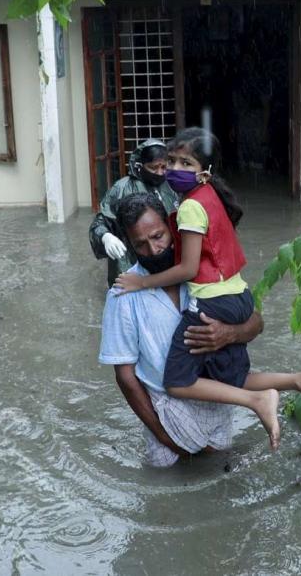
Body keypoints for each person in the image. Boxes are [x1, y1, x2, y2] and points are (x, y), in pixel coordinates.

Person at [113, 128, 301, 450]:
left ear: (205, 171)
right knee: (231, 379)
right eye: (171, 161)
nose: (175, 169)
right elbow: (125, 376)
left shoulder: (188, 210)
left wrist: (142, 282)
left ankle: (258, 401)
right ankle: (299, 380)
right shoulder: (210, 197)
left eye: (186, 163)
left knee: (175, 381)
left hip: (212, 302)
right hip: (237, 295)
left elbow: (188, 270)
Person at [99, 193, 265, 466]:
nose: (153, 249)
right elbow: (126, 377)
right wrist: (164, 436)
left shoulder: (203, 271)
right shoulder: (123, 295)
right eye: (140, 244)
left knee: (221, 479)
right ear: (129, 245)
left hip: (217, 403)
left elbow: (257, 322)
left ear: (173, 227)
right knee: (166, 496)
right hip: (164, 414)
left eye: (158, 236)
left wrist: (230, 333)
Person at [88, 139, 179, 287]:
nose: (160, 172)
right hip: (131, 263)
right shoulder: (121, 189)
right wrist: (106, 237)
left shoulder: (171, 185)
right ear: (139, 166)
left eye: (164, 167)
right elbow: (100, 223)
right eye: (153, 167)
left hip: (167, 259)